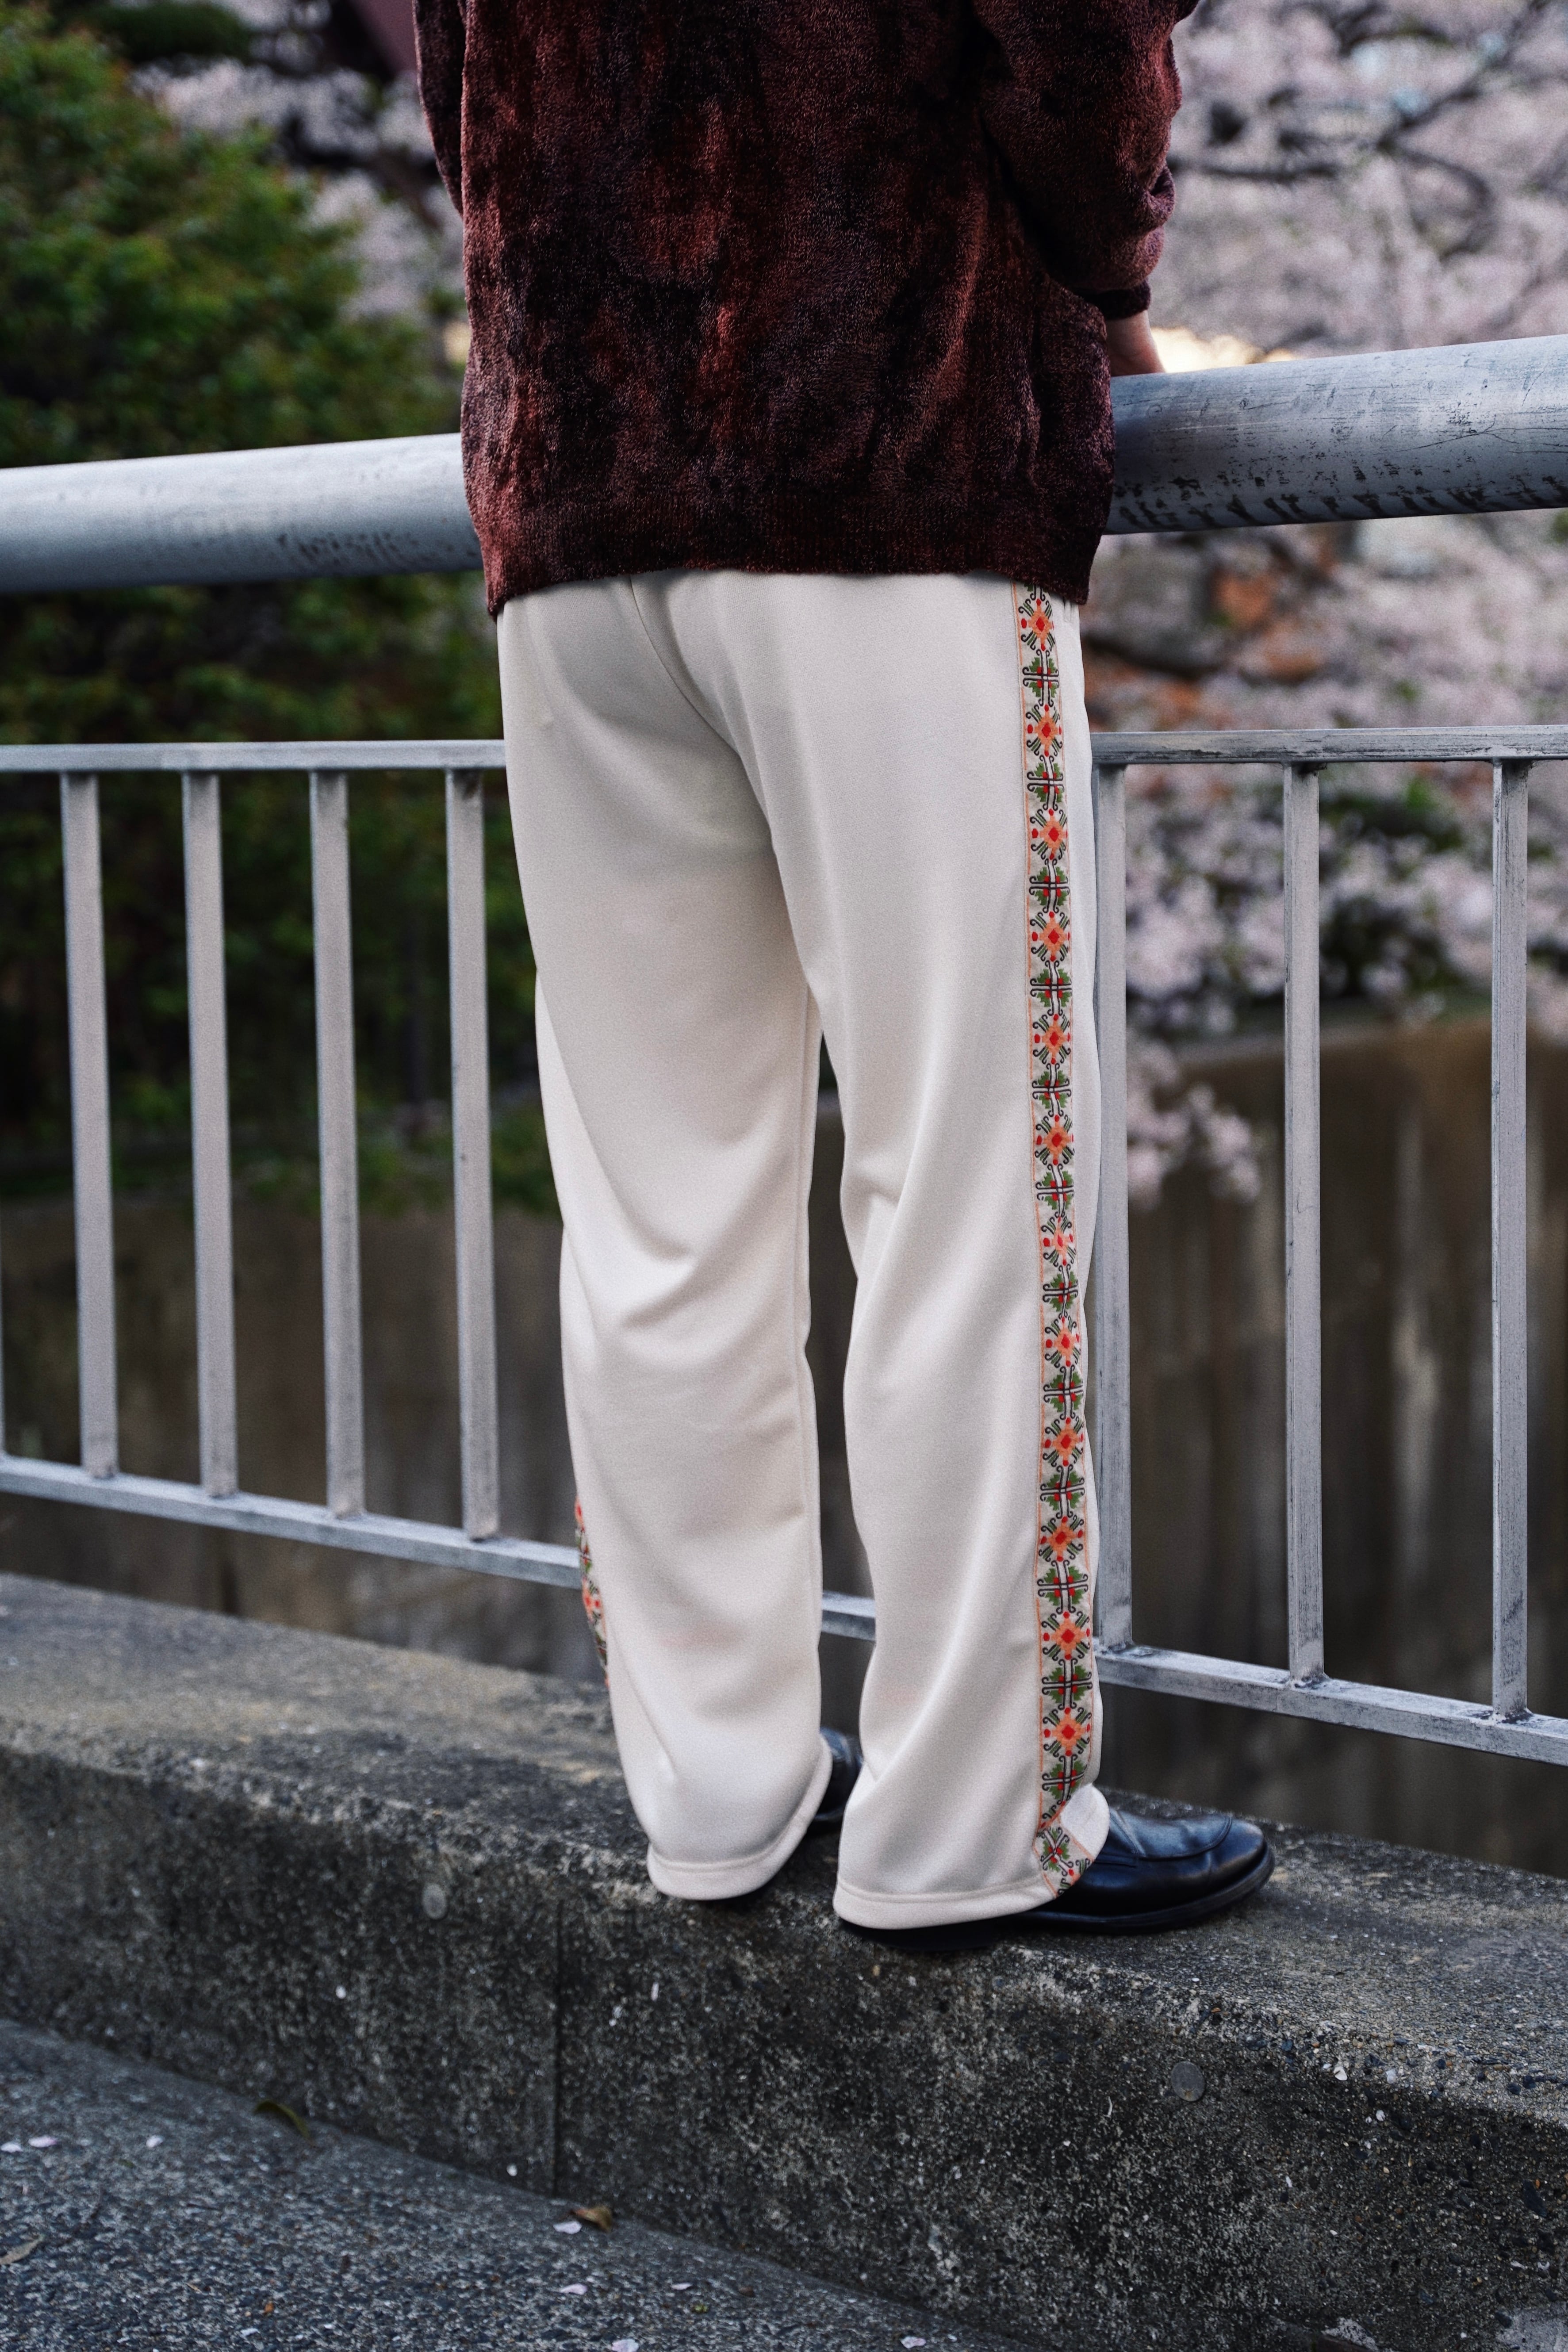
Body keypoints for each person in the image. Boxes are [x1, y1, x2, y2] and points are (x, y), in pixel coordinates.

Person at [414, 0, 1272, 1953]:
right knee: (966, 1188)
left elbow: (459, 96)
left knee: (656, 1208)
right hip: (885, 470)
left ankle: (717, 1792)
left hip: (576, 513)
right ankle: (969, 1826)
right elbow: (1078, 53)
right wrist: (1111, 279)